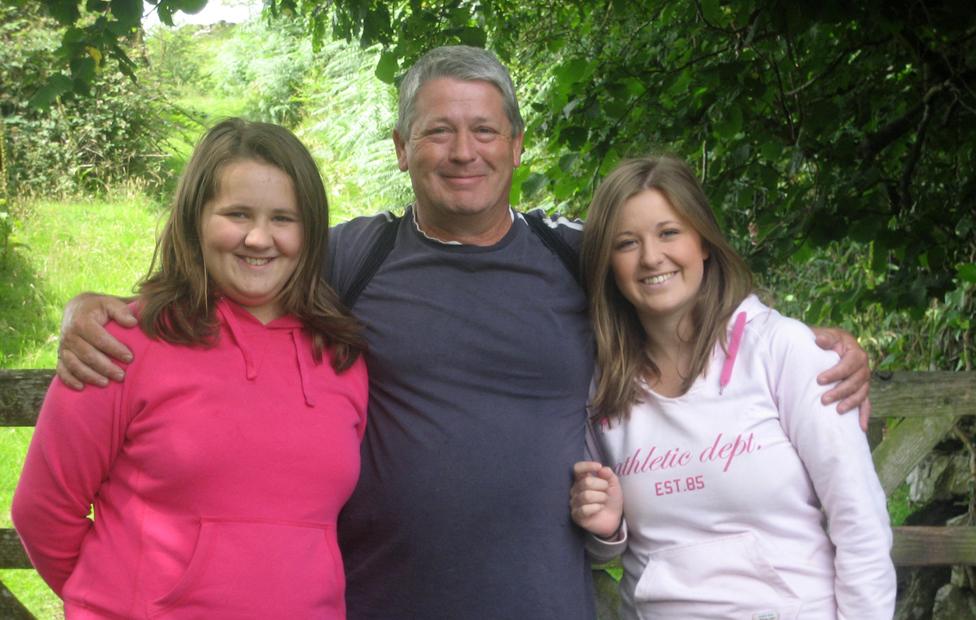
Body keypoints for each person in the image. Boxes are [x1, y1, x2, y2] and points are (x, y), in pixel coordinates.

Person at [53, 47, 872, 619]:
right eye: (438, 130)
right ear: (403, 147)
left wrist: (809, 345)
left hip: (545, 602)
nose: (462, 151)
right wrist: (92, 308)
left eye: (484, 130)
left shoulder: (576, 258)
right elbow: (233, 276)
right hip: (380, 601)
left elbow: (679, 294)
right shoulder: (351, 259)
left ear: (516, 145)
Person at [12, 119, 368, 619]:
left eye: (283, 218)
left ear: (311, 230)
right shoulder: (121, 343)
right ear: (195, 219)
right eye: (237, 214)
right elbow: (43, 511)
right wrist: (110, 601)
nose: (259, 237)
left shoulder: (339, 358)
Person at [570, 155, 895, 619]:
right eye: (626, 243)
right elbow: (600, 548)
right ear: (608, 265)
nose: (651, 257)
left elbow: (860, 521)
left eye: (669, 232)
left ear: (703, 241)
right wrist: (606, 530)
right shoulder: (603, 383)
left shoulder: (782, 350)